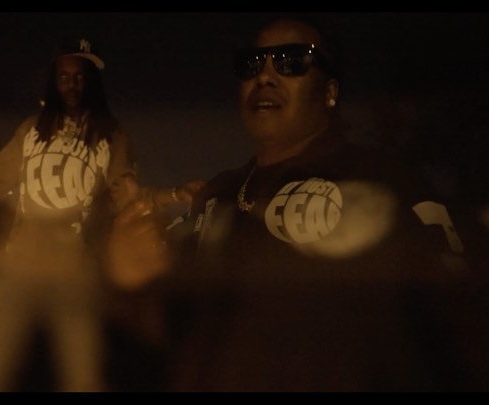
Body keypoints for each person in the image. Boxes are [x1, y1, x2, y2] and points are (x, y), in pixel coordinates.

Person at [107, 16, 468, 391]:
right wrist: (132, 282)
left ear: (329, 92)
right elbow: (174, 335)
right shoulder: (219, 195)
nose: (265, 76)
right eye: (251, 64)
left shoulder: (388, 184)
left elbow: (461, 328)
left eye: (292, 61)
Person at [0, 36, 195, 392]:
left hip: (73, 275)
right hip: (15, 271)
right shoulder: (31, 131)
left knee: (84, 379)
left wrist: (175, 194)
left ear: (93, 82)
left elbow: (127, 198)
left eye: (81, 76)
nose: (72, 84)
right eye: (64, 76)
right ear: (54, 81)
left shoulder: (111, 136)